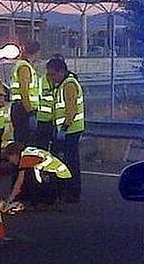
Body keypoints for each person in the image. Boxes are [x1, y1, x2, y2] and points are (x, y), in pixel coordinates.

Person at [47, 57, 85, 204]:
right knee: (66, 162)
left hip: (70, 130)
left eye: (53, 75)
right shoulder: (63, 84)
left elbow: (71, 109)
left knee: (70, 163)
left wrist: (64, 128)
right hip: (67, 130)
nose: (51, 78)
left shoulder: (68, 85)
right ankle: (67, 192)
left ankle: (72, 193)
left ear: (61, 71)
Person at [1, 142, 72, 214]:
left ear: (14, 154)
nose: (10, 161)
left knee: (28, 174)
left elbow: (20, 181)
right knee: (26, 172)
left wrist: (10, 199)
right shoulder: (29, 152)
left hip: (59, 179)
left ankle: (41, 200)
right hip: (61, 177)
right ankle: (35, 199)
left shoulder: (26, 157)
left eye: (9, 158)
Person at [10, 40, 40, 147]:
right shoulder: (24, 67)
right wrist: (30, 111)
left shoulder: (22, 65)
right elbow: (24, 91)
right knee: (25, 141)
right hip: (23, 109)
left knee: (21, 139)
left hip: (20, 108)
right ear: (36, 52)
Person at [35, 54, 64, 149]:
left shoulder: (65, 81)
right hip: (44, 119)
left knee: (57, 148)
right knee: (42, 147)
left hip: (57, 121)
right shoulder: (42, 80)